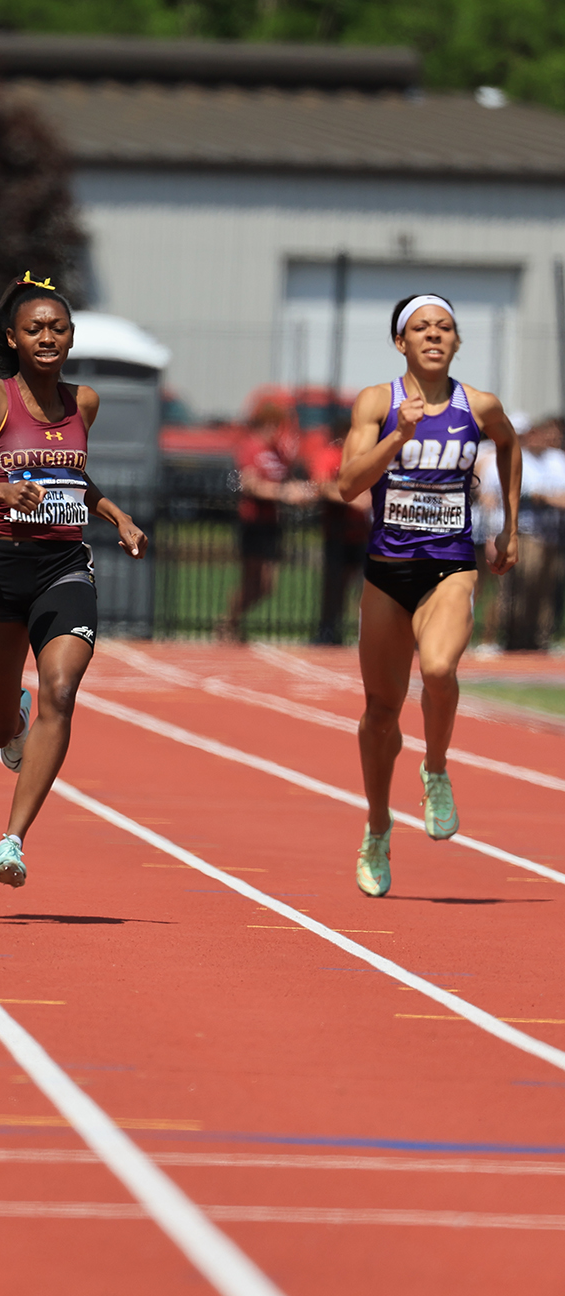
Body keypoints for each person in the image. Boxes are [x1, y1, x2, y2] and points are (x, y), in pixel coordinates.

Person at [0, 272, 147, 888]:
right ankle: (12, 723)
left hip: (64, 568)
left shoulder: (85, 403)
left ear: (72, 336)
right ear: (14, 338)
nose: (46, 337)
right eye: (34, 329)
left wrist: (115, 514)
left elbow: (74, 480)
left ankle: (12, 840)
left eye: (57, 328)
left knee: (62, 690)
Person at [338, 293, 521, 897]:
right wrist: (399, 438)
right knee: (380, 713)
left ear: (458, 342)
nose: (434, 335)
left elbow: (509, 445)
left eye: (445, 327)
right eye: (421, 328)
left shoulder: (480, 406)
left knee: (439, 669)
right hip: (387, 572)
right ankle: (378, 824)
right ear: (401, 343)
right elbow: (347, 485)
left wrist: (509, 528)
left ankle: (436, 768)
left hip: (451, 565)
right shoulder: (376, 402)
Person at [218, 400, 315, 641]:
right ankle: (227, 625)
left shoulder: (278, 451)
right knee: (253, 579)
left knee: (266, 585)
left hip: (272, 522)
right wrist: (282, 493)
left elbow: (287, 479)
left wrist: (301, 492)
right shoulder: (251, 448)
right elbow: (250, 484)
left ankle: (230, 623)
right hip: (253, 521)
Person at [307, 415, 372, 645]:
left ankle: (364, 631)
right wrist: (350, 498)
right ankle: (327, 629)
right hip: (337, 530)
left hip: (363, 531)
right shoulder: (330, 456)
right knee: (335, 584)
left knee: (367, 586)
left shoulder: (365, 458)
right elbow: (322, 486)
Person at [505, 416, 565, 650]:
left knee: (547, 589)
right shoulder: (519, 459)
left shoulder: (557, 459)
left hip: (553, 534)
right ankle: (516, 638)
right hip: (528, 533)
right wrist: (551, 498)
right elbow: (530, 493)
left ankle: (541, 639)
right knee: (524, 587)